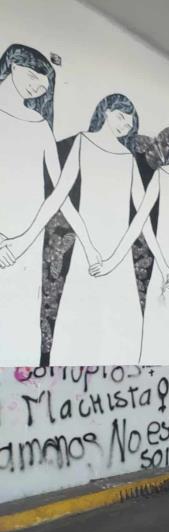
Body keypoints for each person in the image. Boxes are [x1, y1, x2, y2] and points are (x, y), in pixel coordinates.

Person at [0, 44, 99, 366]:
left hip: (26, 243)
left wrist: (87, 240)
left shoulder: (39, 126)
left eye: (42, 85)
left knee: (16, 324)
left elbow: (59, 192)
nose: (35, 87)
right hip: (10, 240)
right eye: (31, 76)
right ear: (12, 65)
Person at [91, 129, 169, 364]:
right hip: (164, 265)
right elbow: (140, 220)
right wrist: (112, 262)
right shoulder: (161, 176)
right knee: (159, 330)